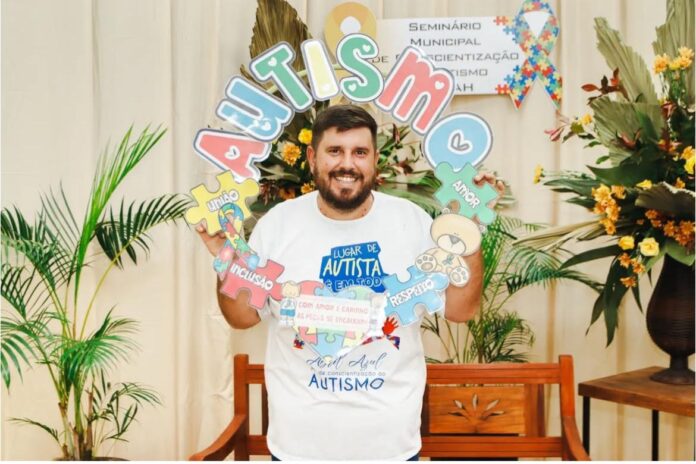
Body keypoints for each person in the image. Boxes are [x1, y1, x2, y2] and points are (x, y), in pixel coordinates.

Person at [196, 105, 504, 461]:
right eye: (335, 151)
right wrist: (228, 261)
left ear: (375, 160)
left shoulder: (412, 221)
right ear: (312, 157)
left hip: (392, 451)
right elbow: (241, 317)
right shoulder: (278, 224)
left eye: (359, 152)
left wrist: (469, 232)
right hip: (297, 451)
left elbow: (461, 310)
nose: (347, 164)